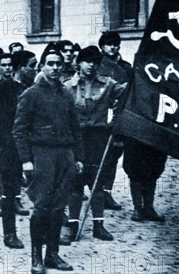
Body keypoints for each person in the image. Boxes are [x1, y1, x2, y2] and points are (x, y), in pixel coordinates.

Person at [13, 44, 83, 273]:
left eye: (58, 64)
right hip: (42, 155)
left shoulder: (66, 94)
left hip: (65, 155)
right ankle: (36, 257)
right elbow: (19, 130)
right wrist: (26, 160)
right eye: (50, 64)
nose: (55, 68)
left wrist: (78, 157)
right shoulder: (31, 94)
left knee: (58, 208)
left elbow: (76, 128)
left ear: (63, 68)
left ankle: (52, 254)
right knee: (42, 207)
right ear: (42, 67)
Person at [60, 46, 126, 244]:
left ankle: (99, 225)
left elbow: (126, 95)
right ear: (78, 63)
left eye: (95, 62)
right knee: (75, 184)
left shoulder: (108, 84)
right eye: (87, 61)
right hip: (76, 139)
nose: (91, 65)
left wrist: (116, 118)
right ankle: (72, 224)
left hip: (99, 138)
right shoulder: (67, 86)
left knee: (97, 182)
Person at [0, 51, 37, 249]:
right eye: (31, 66)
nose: (35, 70)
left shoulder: (31, 88)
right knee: (8, 192)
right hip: (8, 148)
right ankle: (10, 234)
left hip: (31, 146)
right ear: (20, 68)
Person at [98, 31, 133, 211]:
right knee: (98, 155)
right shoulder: (97, 66)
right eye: (109, 44)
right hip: (99, 116)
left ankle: (106, 192)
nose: (113, 47)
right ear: (102, 46)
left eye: (116, 44)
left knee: (113, 156)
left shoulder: (126, 68)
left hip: (119, 117)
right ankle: (95, 189)